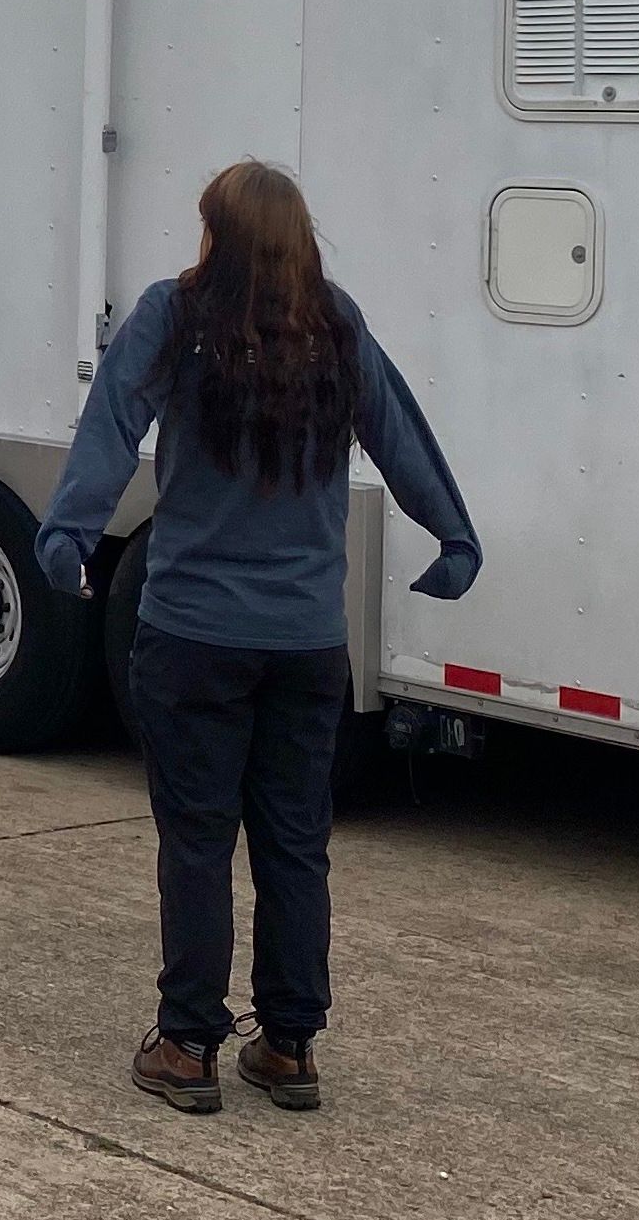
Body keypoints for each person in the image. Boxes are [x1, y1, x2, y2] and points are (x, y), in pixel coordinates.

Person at [37, 160, 480, 1115]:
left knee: (197, 837)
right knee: (293, 841)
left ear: (218, 236)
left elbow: (110, 425)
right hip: (307, 642)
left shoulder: (173, 314)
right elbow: (399, 430)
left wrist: (67, 534)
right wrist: (453, 532)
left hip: (192, 630)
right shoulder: (335, 322)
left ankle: (190, 1043)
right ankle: (288, 1046)